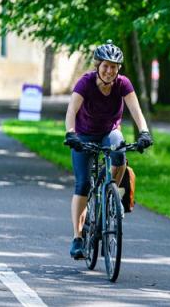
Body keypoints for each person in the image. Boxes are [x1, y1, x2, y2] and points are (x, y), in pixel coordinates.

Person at [63, 40, 153, 260]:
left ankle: (110, 191)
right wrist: (71, 134)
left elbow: (136, 110)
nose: (109, 70)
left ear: (118, 69)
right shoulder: (85, 83)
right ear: (97, 65)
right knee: (83, 184)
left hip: (109, 132)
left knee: (119, 152)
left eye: (113, 66)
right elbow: (71, 110)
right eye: (105, 65)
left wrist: (144, 132)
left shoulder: (123, 84)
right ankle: (77, 237)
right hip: (84, 134)